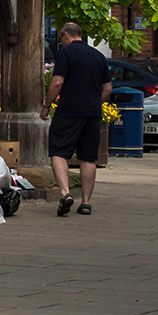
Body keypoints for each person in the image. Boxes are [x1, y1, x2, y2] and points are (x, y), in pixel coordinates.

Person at [47, 21, 111, 217]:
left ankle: (65, 194)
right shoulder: (99, 56)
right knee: (88, 157)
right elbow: (108, 89)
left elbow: (57, 82)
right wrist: (92, 102)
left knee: (58, 151)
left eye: (61, 39)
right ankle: (86, 202)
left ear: (66, 35)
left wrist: (46, 105)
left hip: (68, 110)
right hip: (92, 113)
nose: (61, 43)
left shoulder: (66, 53)